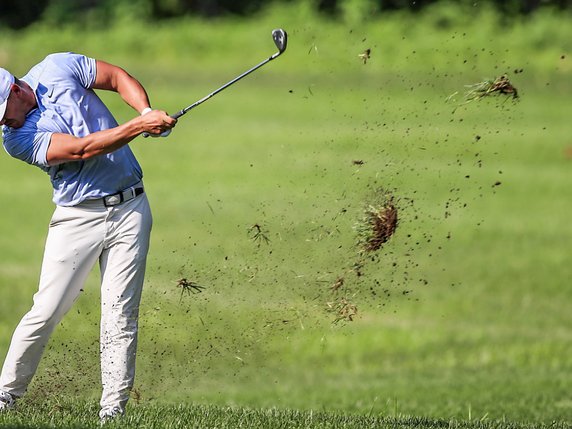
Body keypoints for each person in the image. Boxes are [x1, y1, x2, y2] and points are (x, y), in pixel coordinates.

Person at [0, 52, 176, 420]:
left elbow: (115, 77)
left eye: (4, 114)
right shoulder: (16, 140)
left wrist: (145, 111)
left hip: (131, 208)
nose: (6, 123)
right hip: (77, 218)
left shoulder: (57, 66)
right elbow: (83, 149)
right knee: (46, 310)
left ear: (15, 90)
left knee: (120, 311)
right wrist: (139, 127)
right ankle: (6, 395)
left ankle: (113, 408)